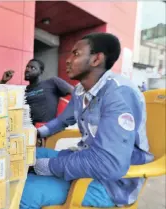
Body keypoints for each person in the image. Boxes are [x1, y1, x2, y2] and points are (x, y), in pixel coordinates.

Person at [21, 33, 153, 208]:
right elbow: (62, 120)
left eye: (76, 54)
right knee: (23, 158)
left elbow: (108, 163)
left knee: (23, 192)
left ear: (96, 59)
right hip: (85, 160)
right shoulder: (80, 91)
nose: (68, 60)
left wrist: (50, 166)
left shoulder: (118, 94)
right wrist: (38, 132)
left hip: (111, 183)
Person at [24, 59, 73, 124]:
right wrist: (5, 82)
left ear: (41, 72)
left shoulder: (52, 82)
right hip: (30, 130)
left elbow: (76, 93)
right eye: (27, 67)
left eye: (32, 68)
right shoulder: (24, 91)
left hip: (48, 130)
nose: (28, 70)